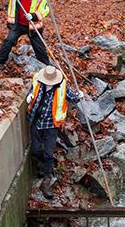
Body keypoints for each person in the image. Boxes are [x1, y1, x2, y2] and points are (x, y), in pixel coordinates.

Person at [26, 65, 83, 199]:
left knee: (48, 153)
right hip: (36, 121)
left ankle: (47, 180)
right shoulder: (37, 81)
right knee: (35, 150)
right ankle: (50, 165)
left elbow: (72, 98)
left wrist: (79, 96)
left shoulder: (62, 86)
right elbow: (31, 91)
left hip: (52, 125)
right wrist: (29, 96)